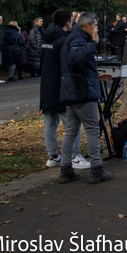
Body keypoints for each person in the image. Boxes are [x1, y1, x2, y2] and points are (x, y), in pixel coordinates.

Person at [58, 12, 112, 184]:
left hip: (73, 89)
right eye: (95, 26)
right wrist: (93, 44)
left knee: (71, 130)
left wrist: (96, 77)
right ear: (87, 25)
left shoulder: (73, 38)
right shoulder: (79, 40)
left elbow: (76, 67)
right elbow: (76, 59)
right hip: (82, 92)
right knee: (92, 129)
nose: (97, 30)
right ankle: (96, 169)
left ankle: (65, 168)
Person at [40, 9, 89, 171]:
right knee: (72, 123)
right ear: (67, 23)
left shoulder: (46, 38)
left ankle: (53, 155)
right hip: (61, 86)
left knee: (50, 123)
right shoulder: (64, 40)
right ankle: (74, 156)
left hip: (46, 85)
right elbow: (69, 63)